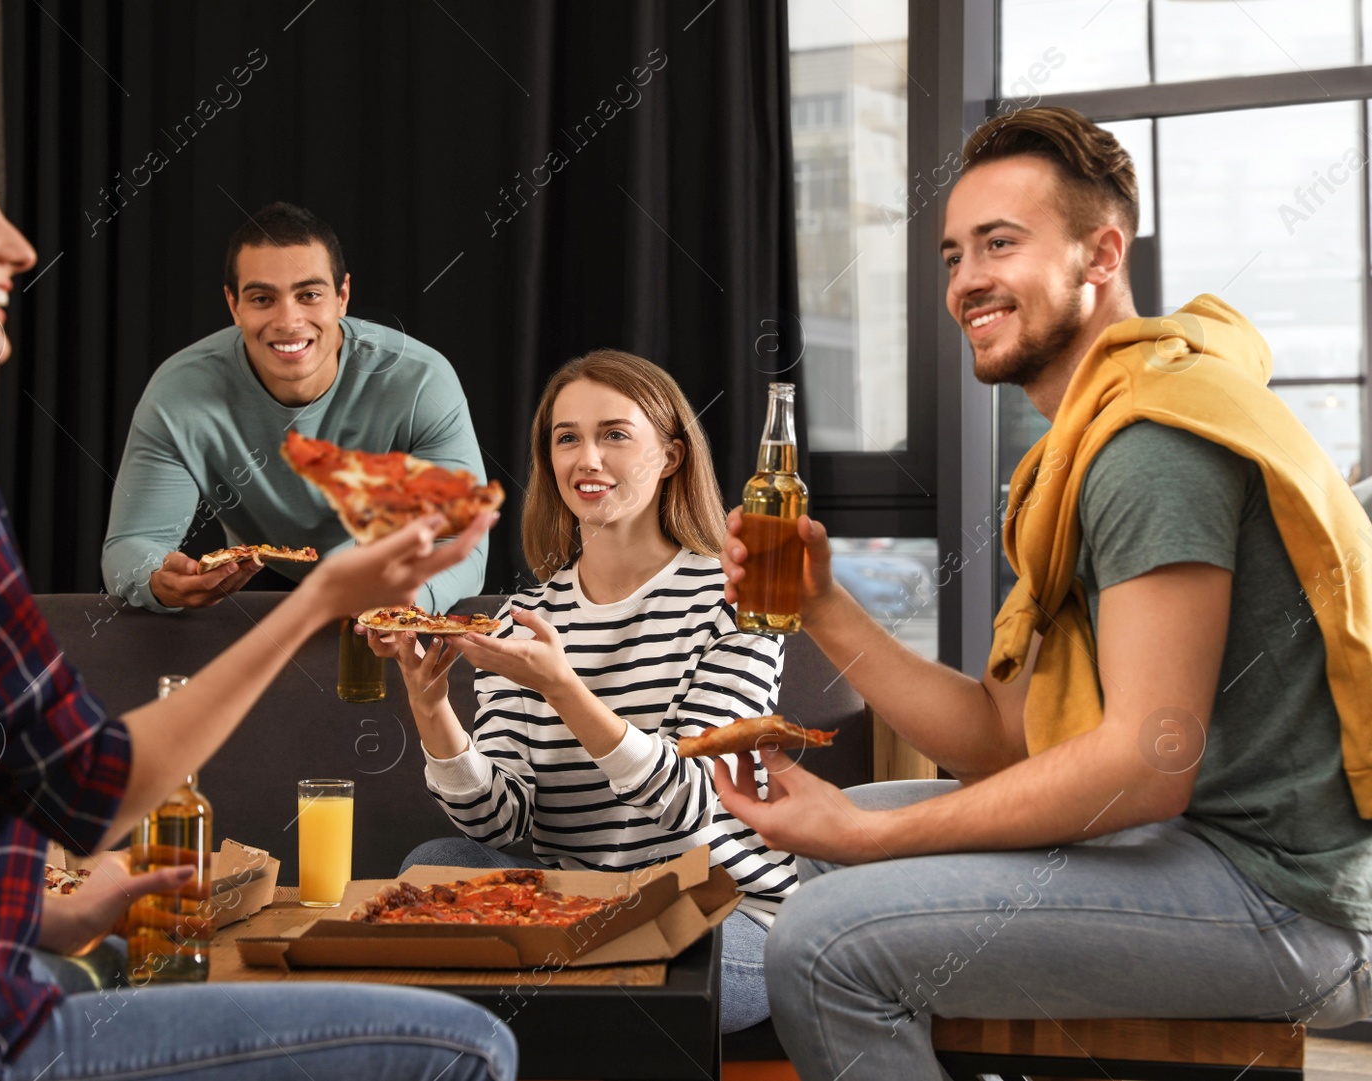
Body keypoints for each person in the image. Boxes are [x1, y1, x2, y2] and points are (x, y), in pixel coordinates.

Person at [0, 70, 514, 1081]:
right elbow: (91, 791)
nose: (20, 248)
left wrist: (45, 907)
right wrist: (316, 605)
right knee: (466, 1044)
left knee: (108, 964)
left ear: (343, 300)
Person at [713, 106, 1372, 1079]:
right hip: (1198, 841)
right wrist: (825, 604)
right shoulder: (1084, 445)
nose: (965, 279)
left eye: (1000, 243)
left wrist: (870, 835)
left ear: (1099, 253)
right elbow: (1005, 733)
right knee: (833, 850)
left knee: (820, 942)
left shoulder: (1150, 447)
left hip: (1288, 900)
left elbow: (1148, 761)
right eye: (950, 255)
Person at [366, 350, 797, 1033]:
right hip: (582, 905)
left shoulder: (739, 600)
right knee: (434, 865)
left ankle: (534, 994)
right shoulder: (521, 616)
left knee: (645, 969)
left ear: (673, 456)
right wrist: (432, 710)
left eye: (615, 434)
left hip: (717, 905)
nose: (585, 458)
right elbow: (502, 823)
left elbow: (690, 801)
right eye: (567, 438)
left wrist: (565, 690)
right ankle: (552, 987)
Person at [100, 201, 489, 615]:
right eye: (263, 299)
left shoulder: (420, 382)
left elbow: (462, 543)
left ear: (342, 297)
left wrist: (414, 597)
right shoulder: (179, 391)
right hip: (254, 590)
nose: (288, 320)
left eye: (309, 295)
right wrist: (156, 581)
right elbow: (131, 544)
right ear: (234, 306)